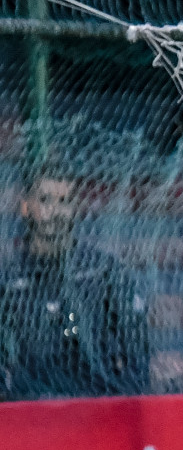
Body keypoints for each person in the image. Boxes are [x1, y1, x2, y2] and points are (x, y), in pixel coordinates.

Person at [0, 168, 149, 399]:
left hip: (95, 409)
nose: (55, 211)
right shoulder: (7, 279)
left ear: (74, 208)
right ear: (26, 207)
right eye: (45, 200)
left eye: (64, 201)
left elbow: (135, 351)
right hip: (29, 413)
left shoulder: (103, 270)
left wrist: (120, 402)